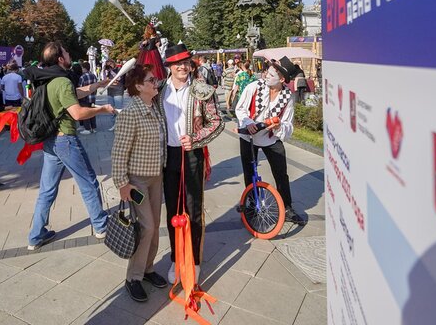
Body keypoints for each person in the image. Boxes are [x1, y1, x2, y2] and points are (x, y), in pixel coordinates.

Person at [26, 42, 115, 249]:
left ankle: (35, 236)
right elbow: (77, 112)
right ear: (60, 59)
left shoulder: (47, 80)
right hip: (65, 139)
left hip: (50, 141)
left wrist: (98, 85)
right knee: (89, 183)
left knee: (47, 190)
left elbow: (76, 92)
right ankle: (101, 226)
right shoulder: (61, 81)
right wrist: (102, 109)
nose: (69, 54)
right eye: (66, 52)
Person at [156, 43, 224, 284]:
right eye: (177, 63)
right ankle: (176, 258)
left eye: (186, 62)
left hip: (192, 155)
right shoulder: (158, 90)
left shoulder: (202, 90)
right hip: (167, 157)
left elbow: (217, 122)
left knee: (193, 211)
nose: (183, 66)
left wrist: (195, 138)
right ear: (170, 67)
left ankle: (194, 262)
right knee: (172, 211)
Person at [111, 64, 168, 302]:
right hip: (137, 181)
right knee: (147, 227)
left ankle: (148, 269)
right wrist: (122, 184)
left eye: (155, 80)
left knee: (154, 225)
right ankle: (133, 277)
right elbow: (118, 152)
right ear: (138, 87)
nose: (156, 83)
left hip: (156, 177)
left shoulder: (153, 107)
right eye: (151, 80)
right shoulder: (130, 113)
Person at [236, 57, 306, 225]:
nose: (266, 74)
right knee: (250, 172)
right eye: (267, 70)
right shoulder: (254, 87)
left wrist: (278, 127)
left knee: (281, 172)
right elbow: (240, 108)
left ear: (282, 79)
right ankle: (252, 204)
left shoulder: (287, 96)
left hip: (270, 137)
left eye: (271, 72)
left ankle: (287, 207)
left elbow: (288, 123)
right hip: (249, 135)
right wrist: (248, 122)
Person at [78, 61, 98, 134]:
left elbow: (80, 87)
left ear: (84, 68)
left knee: (86, 113)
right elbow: (96, 86)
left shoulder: (82, 77)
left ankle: (87, 129)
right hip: (92, 97)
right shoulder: (93, 75)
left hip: (85, 97)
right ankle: (93, 127)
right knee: (93, 112)